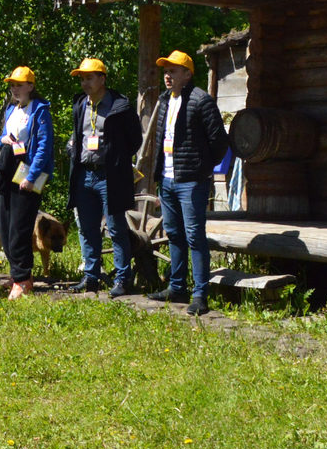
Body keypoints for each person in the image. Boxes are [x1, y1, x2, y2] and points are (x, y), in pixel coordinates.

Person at [147, 50, 229, 316]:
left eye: (173, 70)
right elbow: (160, 142)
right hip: (168, 179)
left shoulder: (200, 101)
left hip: (192, 181)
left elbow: (219, 142)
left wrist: (201, 169)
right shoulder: (164, 101)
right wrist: (159, 176)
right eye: (166, 70)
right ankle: (177, 287)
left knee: (194, 236)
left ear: (187, 74)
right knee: (173, 233)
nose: (168, 75)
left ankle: (200, 294)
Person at [66, 58, 143, 295]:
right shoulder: (80, 105)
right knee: (87, 228)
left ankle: (123, 279)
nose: (84, 83)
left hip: (109, 176)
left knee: (116, 228)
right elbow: (79, 134)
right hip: (84, 174)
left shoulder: (120, 106)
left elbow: (135, 140)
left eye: (89, 78)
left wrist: (116, 158)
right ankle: (91, 276)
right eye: (82, 78)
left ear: (102, 78)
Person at [0, 67, 53, 300]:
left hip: (28, 173)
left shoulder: (39, 110)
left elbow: (44, 146)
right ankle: (16, 274)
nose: (14, 89)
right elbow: (0, 136)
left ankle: (23, 279)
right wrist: (5, 139)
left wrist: (31, 177)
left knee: (20, 228)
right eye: (12, 84)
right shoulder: (11, 108)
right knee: (6, 225)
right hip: (7, 169)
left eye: (19, 84)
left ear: (31, 86)